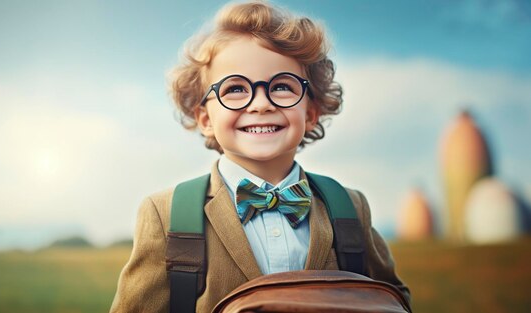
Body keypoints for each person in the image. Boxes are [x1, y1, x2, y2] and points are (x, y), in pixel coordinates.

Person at [109, 1, 410, 312]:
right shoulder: (166, 214)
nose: (261, 104)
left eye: (281, 86)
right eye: (235, 89)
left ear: (311, 112)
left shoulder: (350, 207)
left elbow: (390, 299)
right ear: (205, 119)